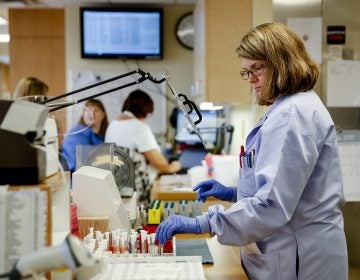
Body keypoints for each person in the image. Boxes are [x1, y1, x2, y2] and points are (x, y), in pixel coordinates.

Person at [155, 22, 348, 280]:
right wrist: (236, 192)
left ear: (283, 62)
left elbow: (272, 205)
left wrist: (202, 223)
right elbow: (288, 190)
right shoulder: (289, 108)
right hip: (291, 247)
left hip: (301, 256)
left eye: (258, 68)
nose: (252, 79)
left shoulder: (291, 115)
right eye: (246, 72)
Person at [105, 89, 182, 203]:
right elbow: (160, 164)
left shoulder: (112, 125)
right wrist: (175, 166)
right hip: (138, 190)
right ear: (145, 111)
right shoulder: (139, 127)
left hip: (116, 187)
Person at [61, 99, 109, 172]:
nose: (91, 113)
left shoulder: (104, 135)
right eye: (88, 110)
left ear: (103, 115)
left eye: (96, 110)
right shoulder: (77, 133)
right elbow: (79, 163)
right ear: (83, 114)